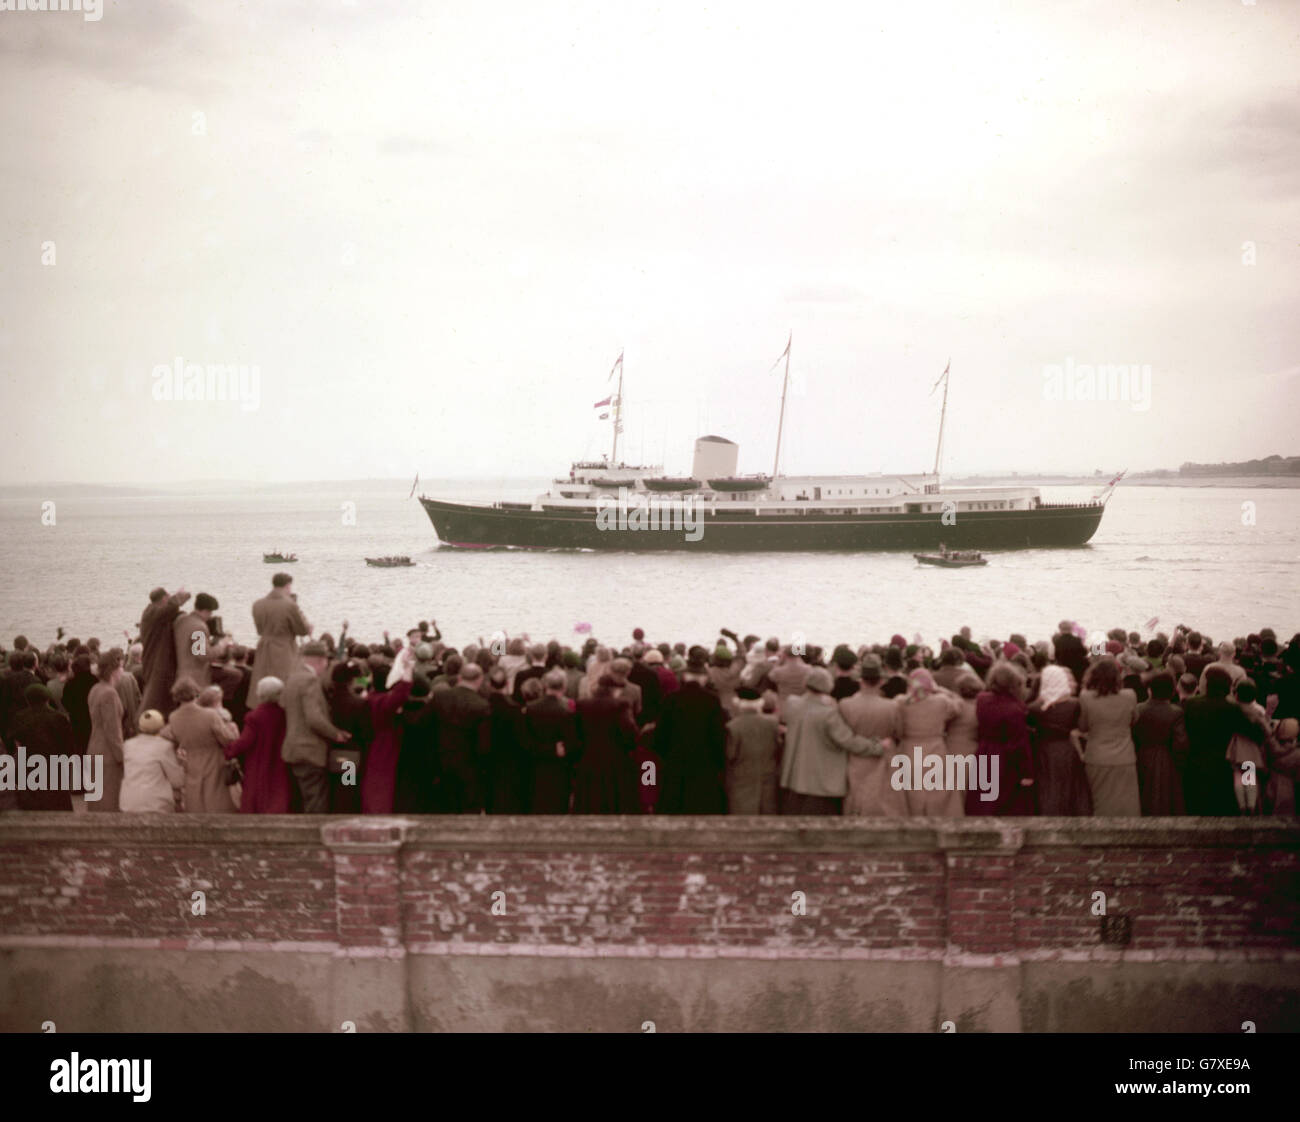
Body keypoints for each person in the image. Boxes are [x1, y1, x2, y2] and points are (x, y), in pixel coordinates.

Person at [779, 667, 882, 815]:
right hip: (822, 785)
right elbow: (848, 741)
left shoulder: (792, 704)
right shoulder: (828, 714)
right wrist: (876, 747)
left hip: (794, 780)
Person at [1183, 666, 1266, 816]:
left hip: (1196, 760)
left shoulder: (1191, 705)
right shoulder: (1231, 709)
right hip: (1223, 764)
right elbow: (1255, 733)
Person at [279, 641, 350, 813]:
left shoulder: (292, 677)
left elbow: (283, 704)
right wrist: (336, 734)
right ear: (320, 660)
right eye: (326, 661)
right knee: (316, 803)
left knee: (303, 800)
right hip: (310, 750)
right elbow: (314, 718)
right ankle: (312, 838)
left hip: (293, 749)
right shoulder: (310, 680)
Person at [655, 655, 728, 813]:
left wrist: (665, 756)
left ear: (684, 676)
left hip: (675, 761)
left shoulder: (671, 699)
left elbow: (660, 736)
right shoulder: (712, 701)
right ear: (703, 678)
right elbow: (718, 737)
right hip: (704, 764)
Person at [839, 654, 905, 817]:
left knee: (856, 803)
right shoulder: (892, 706)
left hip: (856, 759)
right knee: (886, 804)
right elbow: (900, 732)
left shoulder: (846, 705)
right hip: (884, 758)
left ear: (860, 679)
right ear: (881, 681)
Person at [894, 667, 964, 817]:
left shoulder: (901, 702)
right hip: (936, 749)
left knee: (911, 792)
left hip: (909, 750)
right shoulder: (941, 702)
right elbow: (959, 704)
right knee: (940, 792)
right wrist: (940, 690)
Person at [164, 675, 239, 813]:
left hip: (190, 759)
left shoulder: (173, 717)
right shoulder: (209, 715)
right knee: (215, 797)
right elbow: (227, 738)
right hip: (213, 758)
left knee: (195, 797)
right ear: (195, 692)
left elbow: (172, 738)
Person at [1077, 657, 1141, 816]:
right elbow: (1135, 720)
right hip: (1124, 757)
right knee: (1128, 804)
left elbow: (1083, 726)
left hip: (1097, 757)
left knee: (1100, 803)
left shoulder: (1085, 697)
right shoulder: (1130, 695)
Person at [429, 661, 491, 812]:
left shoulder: (439, 698)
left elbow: (428, 729)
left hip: (440, 762)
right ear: (480, 679)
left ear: (459, 678)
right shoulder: (481, 705)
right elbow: (484, 745)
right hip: (469, 768)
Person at [572, 674, 639, 813]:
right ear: (614, 689)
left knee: (589, 798)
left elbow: (575, 732)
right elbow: (629, 732)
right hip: (615, 758)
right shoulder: (621, 705)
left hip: (588, 757)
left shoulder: (582, 704)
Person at [1028, 665, 1091, 816]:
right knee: (1071, 786)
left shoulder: (1035, 708)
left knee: (1048, 786)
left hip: (1044, 750)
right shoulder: (1075, 704)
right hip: (1068, 749)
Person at [225, 677, 291, 814]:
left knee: (257, 795)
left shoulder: (254, 717)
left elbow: (245, 741)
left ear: (260, 694)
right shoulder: (284, 715)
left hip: (259, 761)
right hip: (280, 760)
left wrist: (228, 751)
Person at [8, 683, 76, 810]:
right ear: (47, 699)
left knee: (33, 803)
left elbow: (14, 743)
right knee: (58, 801)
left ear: (28, 700)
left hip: (30, 766)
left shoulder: (20, 717)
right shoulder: (59, 718)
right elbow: (69, 746)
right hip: (55, 765)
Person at [1132, 672, 1188, 815]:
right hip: (1166, 757)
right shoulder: (1176, 712)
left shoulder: (1138, 709)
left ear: (1149, 690)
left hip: (1143, 753)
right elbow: (1180, 742)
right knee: (1165, 795)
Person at [249, 573, 312, 700]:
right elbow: (303, 630)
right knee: (284, 688)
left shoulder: (257, 604)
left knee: (263, 685)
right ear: (288, 586)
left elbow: (259, 630)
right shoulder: (290, 605)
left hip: (264, 649)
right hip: (284, 650)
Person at [523, 670, 575, 813]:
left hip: (535, 764)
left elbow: (525, 741)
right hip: (559, 768)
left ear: (545, 685)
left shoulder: (530, 709)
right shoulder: (567, 712)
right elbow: (571, 744)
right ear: (564, 687)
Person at [724, 687, 781, 814]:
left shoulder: (733, 726)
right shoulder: (772, 723)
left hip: (741, 782)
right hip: (768, 781)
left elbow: (730, 754)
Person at [120, 709, 185, 813]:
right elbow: (177, 781)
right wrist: (183, 764)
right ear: (161, 727)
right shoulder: (164, 746)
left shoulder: (128, 744)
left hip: (127, 803)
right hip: (156, 805)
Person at [86, 647, 127, 812]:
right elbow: (113, 732)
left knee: (96, 802)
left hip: (93, 748)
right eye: (121, 667)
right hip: (107, 755)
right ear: (113, 670)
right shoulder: (110, 694)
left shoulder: (95, 689)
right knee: (109, 804)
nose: (123, 670)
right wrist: (122, 758)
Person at [139, 586, 191, 715]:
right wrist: (178, 596)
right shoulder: (153, 613)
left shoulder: (152, 613)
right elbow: (201, 654)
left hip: (162, 666)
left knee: (157, 700)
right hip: (162, 667)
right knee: (154, 700)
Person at [173, 592, 222, 689]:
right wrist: (221, 646)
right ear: (206, 610)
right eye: (210, 612)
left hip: (180, 673)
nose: (210, 616)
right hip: (195, 679)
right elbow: (202, 655)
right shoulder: (199, 627)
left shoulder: (181, 620)